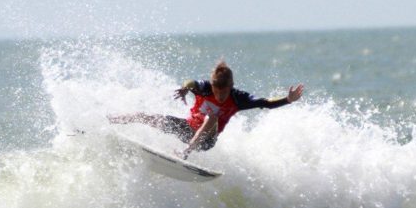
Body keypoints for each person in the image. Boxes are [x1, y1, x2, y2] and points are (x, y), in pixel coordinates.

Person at [109, 61, 304, 159]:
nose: (219, 96)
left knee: (211, 116)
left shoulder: (239, 99)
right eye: (216, 91)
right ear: (212, 85)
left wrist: (288, 99)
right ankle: (109, 120)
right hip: (187, 128)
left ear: (231, 86)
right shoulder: (204, 87)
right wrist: (186, 88)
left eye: (223, 92)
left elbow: (266, 103)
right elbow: (191, 82)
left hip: (205, 141)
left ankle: (184, 152)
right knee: (145, 116)